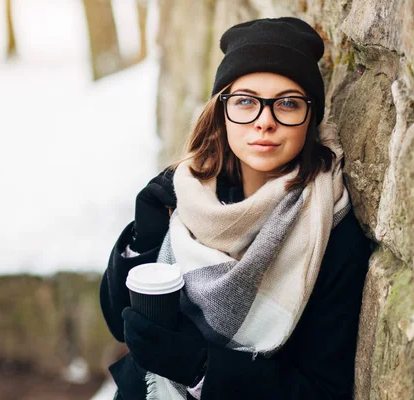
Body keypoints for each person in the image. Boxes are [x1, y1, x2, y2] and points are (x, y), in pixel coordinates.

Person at [100, 17, 372, 400]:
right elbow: (119, 323)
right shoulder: (185, 198)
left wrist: (202, 369)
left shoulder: (329, 232)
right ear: (221, 111)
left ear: (310, 117)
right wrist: (143, 239)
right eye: (245, 101)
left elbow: (321, 390)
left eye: (288, 104)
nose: (265, 122)